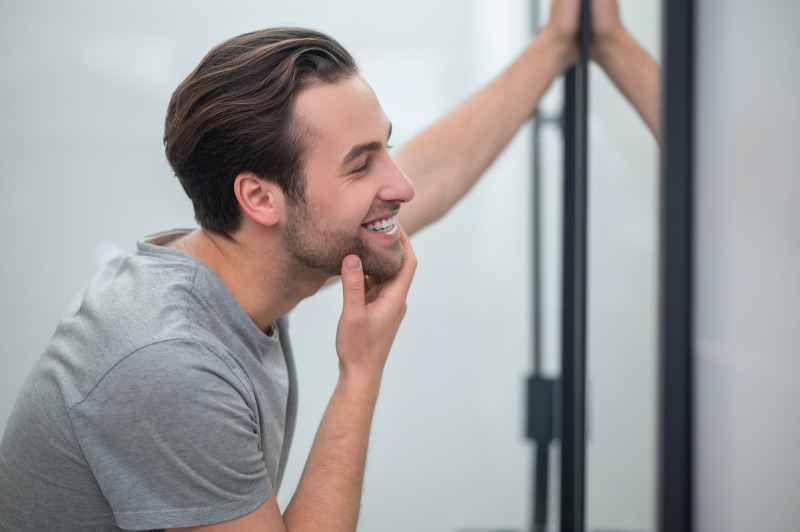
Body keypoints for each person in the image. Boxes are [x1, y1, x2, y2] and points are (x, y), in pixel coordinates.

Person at [0, 1, 658, 530]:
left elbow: (431, 172)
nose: (400, 184)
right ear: (260, 198)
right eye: (361, 164)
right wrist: (360, 370)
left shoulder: (233, 261)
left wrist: (557, 45)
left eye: (386, 148)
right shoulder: (167, 362)